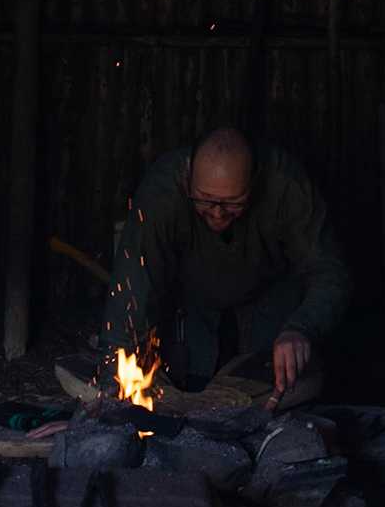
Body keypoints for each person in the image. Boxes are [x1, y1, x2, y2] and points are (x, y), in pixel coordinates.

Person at [103, 126, 352, 397]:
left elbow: (329, 272)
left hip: (272, 290)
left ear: (255, 178)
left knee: (273, 390)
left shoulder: (287, 186)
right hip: (192, 292)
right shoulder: (162, 192)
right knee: (189, 382)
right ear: (188, 171)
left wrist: (302, 327)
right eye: (205, 201)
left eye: (233, 202)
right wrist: (110, 397)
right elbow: (130, 296)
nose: (218, 214)